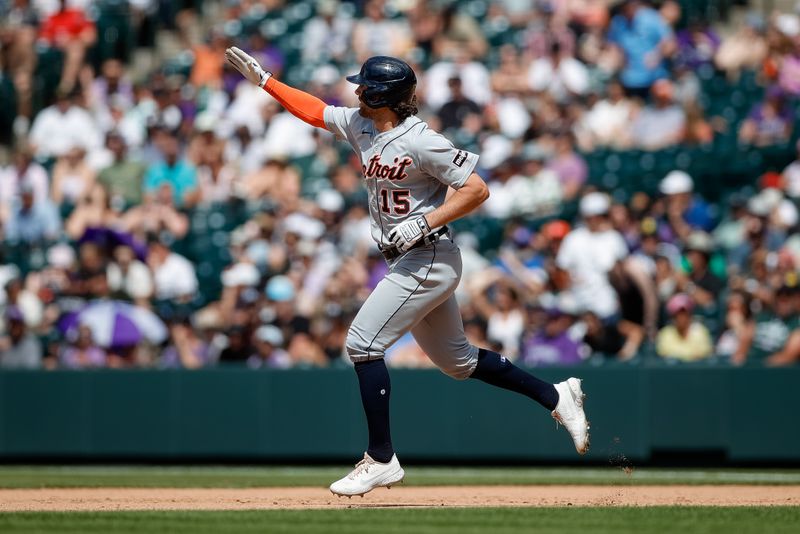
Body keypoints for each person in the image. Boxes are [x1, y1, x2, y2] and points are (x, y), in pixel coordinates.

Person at [226, 48, 590, 497]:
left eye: (363, 85)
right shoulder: (362, 125)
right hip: (406, 259)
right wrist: (267, 82)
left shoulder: (421, 140)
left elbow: (477, 190)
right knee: (458, 363)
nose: (356, 90)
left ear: (382, 94)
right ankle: (556, 396)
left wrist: (426, 220)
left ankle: (381, 457)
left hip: (429, 254)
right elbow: (316, 112)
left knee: (362, 343)